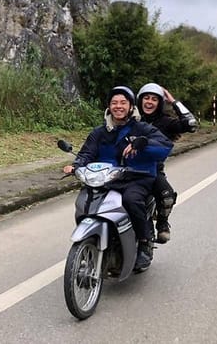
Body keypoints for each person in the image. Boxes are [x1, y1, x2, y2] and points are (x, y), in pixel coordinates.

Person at [62, 86, 174, 271]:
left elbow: (165, 146)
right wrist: (75, 166)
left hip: (136, 177)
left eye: (123, 102)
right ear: (109, 106)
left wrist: (143, 144)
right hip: (106, 179)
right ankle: (91, 243)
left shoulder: (142, 128)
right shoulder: (100, 132)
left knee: (132, 199)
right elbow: (87, 153)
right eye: (114, 102)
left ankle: (145, 243)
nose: (118, 106)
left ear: (131, 106)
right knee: (86, 201)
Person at [136, 83, 198, 244]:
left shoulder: (166, 122)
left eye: (154, 99)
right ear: (140, 100)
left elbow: (190, 124)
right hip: (126, 168)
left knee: (166, 195)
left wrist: (174, 102)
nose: (149, 102)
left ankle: (162, 223)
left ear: (160, 103)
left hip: (153, 171)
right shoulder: (131, 119)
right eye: (146, 98)